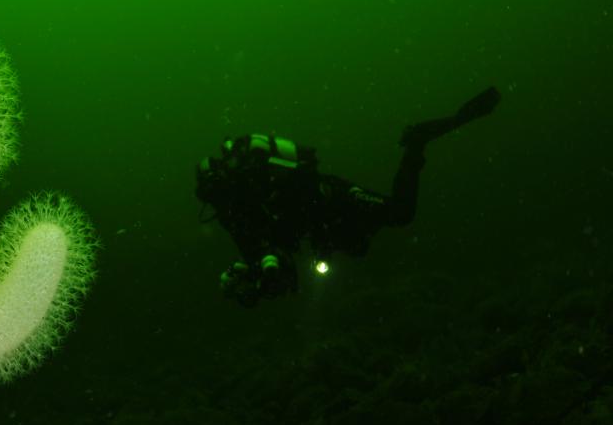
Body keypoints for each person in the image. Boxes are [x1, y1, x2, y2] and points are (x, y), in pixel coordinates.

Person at [195, 87, 501, 307]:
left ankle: (417, 142)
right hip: (326, 220)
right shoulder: (240, 215)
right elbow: (268, 254)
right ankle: (416, 146)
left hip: (334, 199)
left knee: (399, 214)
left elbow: (283, 227)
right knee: (362, 244)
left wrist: (270, 265)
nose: (220, 205)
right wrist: (258, 279)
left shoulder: (250, 198)